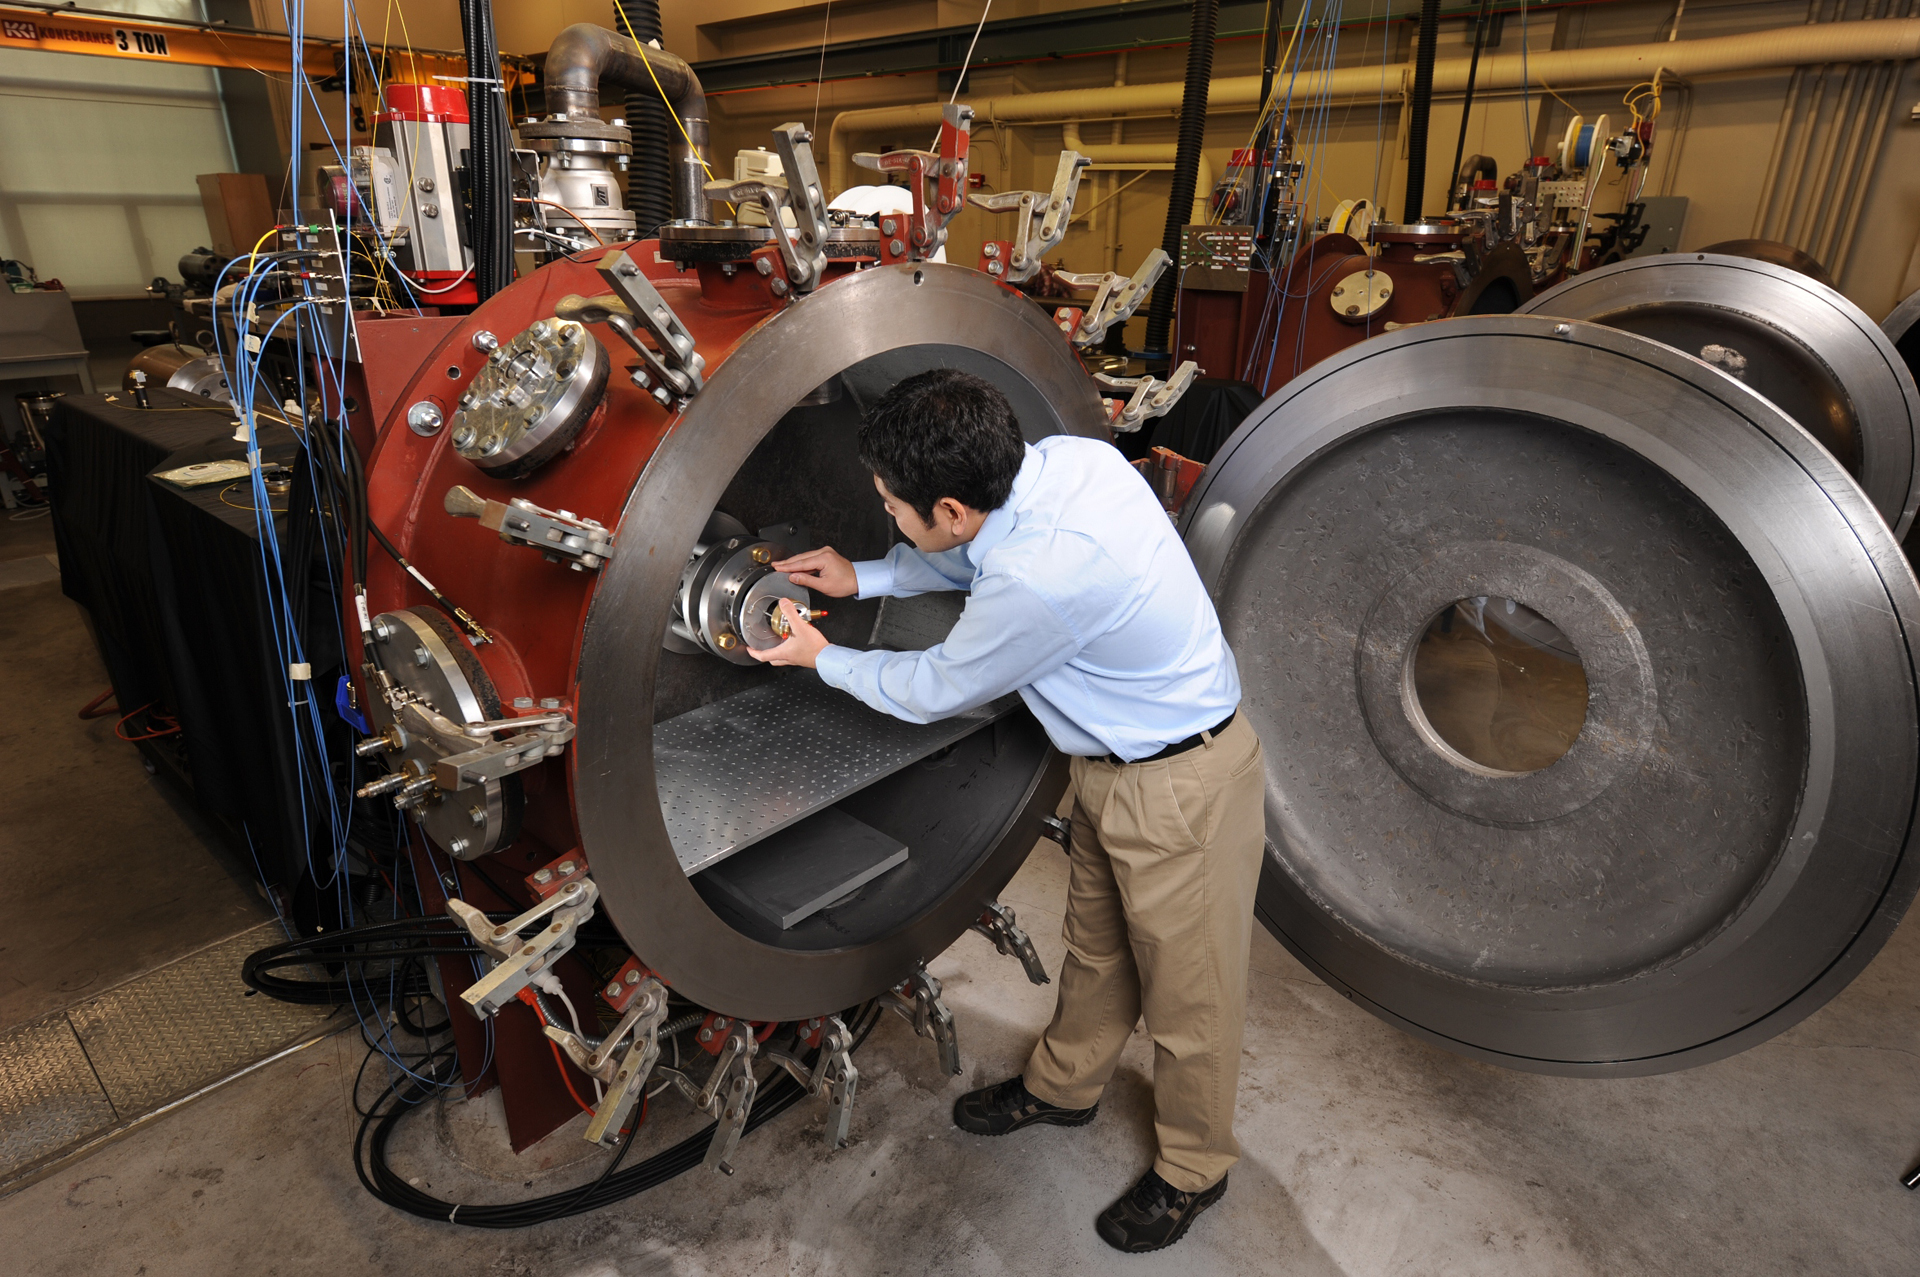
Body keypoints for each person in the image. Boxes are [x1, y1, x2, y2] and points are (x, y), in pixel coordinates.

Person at [749, 368, 1265, 1254]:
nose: (888, 512)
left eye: (892, 505)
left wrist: (818, 656)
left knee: (1192, 997)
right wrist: (864, 573)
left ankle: (1194, 1169)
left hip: (1181, 790)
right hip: (1114, 763)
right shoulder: (1064, 461)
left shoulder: (1041, 580)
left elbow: (932, 688)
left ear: (949, 506)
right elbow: (968, 547)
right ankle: (1064, 1089)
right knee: (1098, 950)